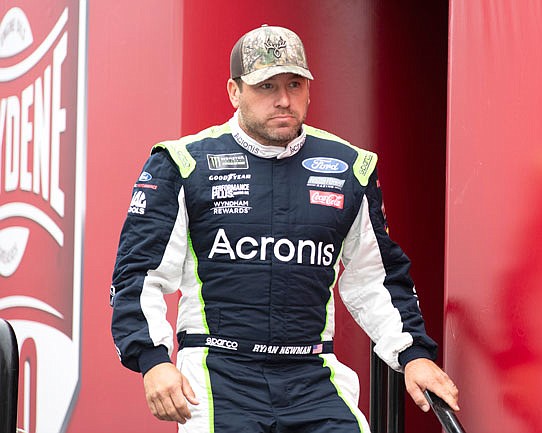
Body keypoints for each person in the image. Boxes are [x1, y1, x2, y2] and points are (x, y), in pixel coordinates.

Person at [110, 24, 459, 432]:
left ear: (309, 88)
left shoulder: (349, 167)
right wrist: (153, 362)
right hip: (217, 372)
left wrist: (413, 355)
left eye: (295, 84)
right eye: (266, 86)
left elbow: (376, 278)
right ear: (234, 91)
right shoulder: (183, 163)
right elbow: (139, 275)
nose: (283, 100)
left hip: (312, 374)